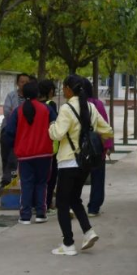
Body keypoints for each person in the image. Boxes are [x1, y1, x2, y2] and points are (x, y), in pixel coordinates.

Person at [48, 75, 114, 256]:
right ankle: (88, 232)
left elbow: (57, 134)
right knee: (74, 199)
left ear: (69, 89)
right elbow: (108, 131)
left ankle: (68, 244)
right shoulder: (91, 107)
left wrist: (52, 126)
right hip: (85, 162)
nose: (63, 90)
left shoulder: (66, 108)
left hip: (68, 161)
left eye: (64, 87)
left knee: (62, 203)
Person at [2, 81, 56, 224]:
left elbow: (9, 132)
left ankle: (25, 216)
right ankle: (40, 214)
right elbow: (55, 127)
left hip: (24, 154)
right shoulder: (46, 109)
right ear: (38, 93)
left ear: (23, 94)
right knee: (41, 183)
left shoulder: (18, 111)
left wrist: (15, 146)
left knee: (26, 184)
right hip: (44, 153)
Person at [81, 79, 113, 217]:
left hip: (78, 148)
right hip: (96, 147)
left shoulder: (72, 105)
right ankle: (94, 208)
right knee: (97, 178)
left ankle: (74, 205)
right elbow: (104, 125)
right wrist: (107, 146)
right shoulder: (96, 104)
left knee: (77, 179)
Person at [2, 73, 30, 188]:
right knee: (6, 155)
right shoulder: (11, 95)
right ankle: (6, 180)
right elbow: (7, 112)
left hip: (24, 133)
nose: (24, 84)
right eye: (22, 82)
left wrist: (16, 113)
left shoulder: (31, 98)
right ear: (17, 83)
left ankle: (12, 180)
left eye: (26, 82)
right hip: (9, 129)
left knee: (15, 158)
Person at [38, 80, 60, 215]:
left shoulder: (34, 105)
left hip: (36, 146)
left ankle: (37, 203)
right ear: (51, 91)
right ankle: (46, 203)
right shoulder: (50, 105)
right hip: (50, 147)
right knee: (50, 178)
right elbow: (55, 124)